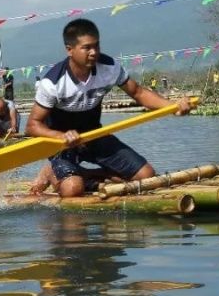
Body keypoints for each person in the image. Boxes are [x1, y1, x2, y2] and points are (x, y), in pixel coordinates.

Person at [28, 18, 191, 197]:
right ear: (70, 49)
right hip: (62, 143)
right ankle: (52, 171)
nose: (93, 52)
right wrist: (61, 136)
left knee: (146, 177)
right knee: (73, 189)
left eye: (96, 46)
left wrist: (173, 106)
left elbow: (138, 93)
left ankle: (85, 173)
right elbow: (33, 125)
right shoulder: (52, 82)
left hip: (94, 134)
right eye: (87, 47)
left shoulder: (109, 67)